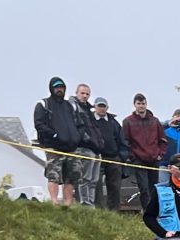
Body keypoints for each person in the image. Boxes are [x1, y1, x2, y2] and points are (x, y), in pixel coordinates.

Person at [33, 77, 83, 205]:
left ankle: (67, 204)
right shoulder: (43, 104)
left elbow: (80, 124)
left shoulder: (70, 106)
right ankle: (54, 202)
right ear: (51, 89)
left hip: (71, 148)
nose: (59, 89)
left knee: (71, 178)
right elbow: (39, 124)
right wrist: (53, 134)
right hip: (54, 148)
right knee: (53, 176)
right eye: (56, 87)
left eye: (61, 87)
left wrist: (77, 137)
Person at [90, 97, 131, 211]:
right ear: (95, 107)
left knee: (115, 187)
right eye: (99, 106)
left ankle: (113, 212)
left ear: (107, 108)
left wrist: (121, 157)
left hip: (114, 158)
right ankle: (99, 211)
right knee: (96, 184)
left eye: (104, 106)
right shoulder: (90, 121)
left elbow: (122, 141)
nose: (101, 108)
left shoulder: (113, 122)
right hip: (97, 157)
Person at [122, 92, 165, 200]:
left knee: (154, 189)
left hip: (154, 159)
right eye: (139, 103)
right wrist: (132, 156)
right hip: (138, 159)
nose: (141, 106)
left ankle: (153, 209)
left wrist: (160, 154)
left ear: (146, 104)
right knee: (144, 188)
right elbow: (125, 141)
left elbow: (163, 139)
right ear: (134, 104)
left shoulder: (154, 121)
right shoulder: (128, 121)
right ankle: (146, 209)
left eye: (143, 103)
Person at [69, 83, 106, 208]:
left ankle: (91, 203)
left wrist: (99, 142)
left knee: (94, 179)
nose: (85, 96)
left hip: (95, 149)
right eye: (82, 93)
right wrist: (88, 139)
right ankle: (85, 203)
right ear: (76, 93)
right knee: (85, 178)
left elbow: (94, 128)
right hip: (84, 148)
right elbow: (77, 126)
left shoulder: (88, 110)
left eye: (87, 94)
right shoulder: (73, 107)